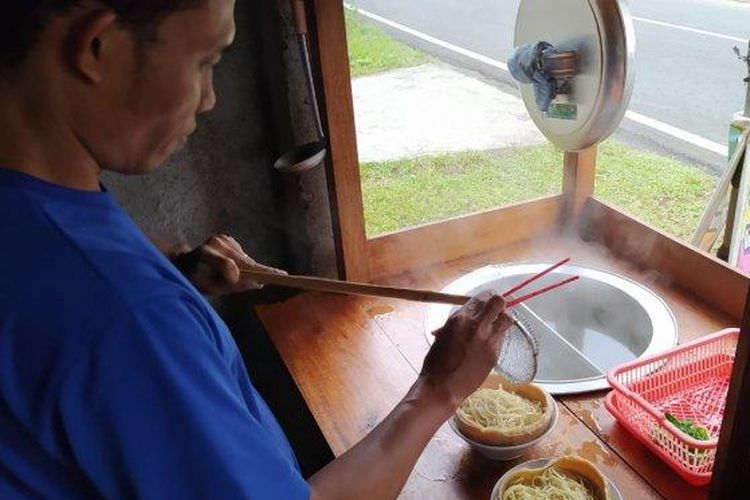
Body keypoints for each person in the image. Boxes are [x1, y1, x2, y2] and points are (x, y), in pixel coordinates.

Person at [0, 1, 513, 498]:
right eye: (205, 61)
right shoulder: (127, 317)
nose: (209, 99)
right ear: (97, 46)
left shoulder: (46, 220)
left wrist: (176, 272)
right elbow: (104, 319)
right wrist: (437, 391)